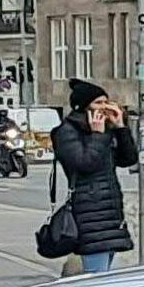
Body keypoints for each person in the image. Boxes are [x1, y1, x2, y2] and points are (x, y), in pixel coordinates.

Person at [52, 80, 138, 273]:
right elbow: (84, 163)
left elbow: (128, 159)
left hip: (109, 212)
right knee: (97, 279)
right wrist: (97, 135)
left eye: (106, 102)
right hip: (90, 213)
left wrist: (120, 128)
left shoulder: (104, 130)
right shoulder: (67, 132)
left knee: (105, 277)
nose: (105, 107)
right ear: (84, 107)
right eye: (99, 103)